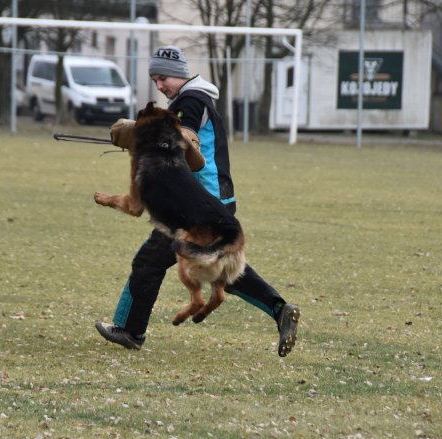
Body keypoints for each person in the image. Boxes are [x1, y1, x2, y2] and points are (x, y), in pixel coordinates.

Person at [95, 45, 300, 357]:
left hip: (195, 205)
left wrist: (139, 133)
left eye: (163, 78)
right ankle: (280, 308)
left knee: (148, 262)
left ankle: (129, 330)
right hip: (216, 200)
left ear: (179, 74)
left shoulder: (189, 102)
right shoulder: (196, 99)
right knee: (223, 267)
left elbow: (186, 139)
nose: (159, 85)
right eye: (154, 80)